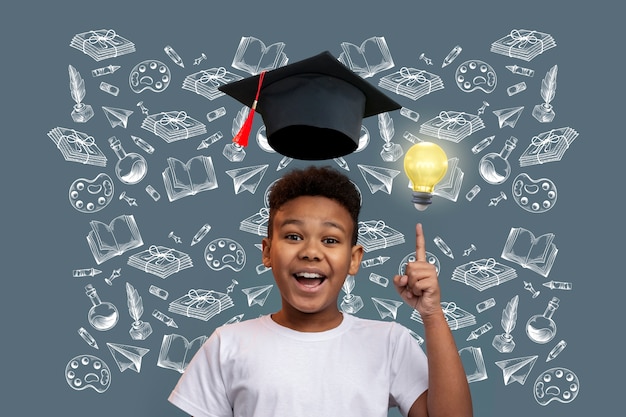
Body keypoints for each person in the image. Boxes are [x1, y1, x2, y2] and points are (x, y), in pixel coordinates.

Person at [168, 165, 473, 417]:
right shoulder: (227, 344)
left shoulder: (389, 342)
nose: (311, 252)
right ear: (267, 252)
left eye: (330, 240)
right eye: (293, 235)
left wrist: (432, 315)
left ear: (354, 259)